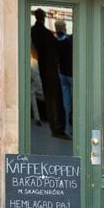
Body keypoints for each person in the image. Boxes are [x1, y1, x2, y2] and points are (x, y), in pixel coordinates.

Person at [31, 9, 68, 138]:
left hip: (41, 67)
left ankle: (54, 128)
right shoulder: (46, 34)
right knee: (56, 100)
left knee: (48, 99)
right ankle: (58, 129)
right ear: (44, 17)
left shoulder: (33, 31)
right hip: (49, 69)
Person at [54, 20, 74, 136]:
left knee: (66, 103)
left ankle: (67, 127)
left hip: (62, 74)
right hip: (71, 74)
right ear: (63, 27)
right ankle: (73, 127)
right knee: (74, 102)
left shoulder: (55, 41)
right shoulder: (69, 41)